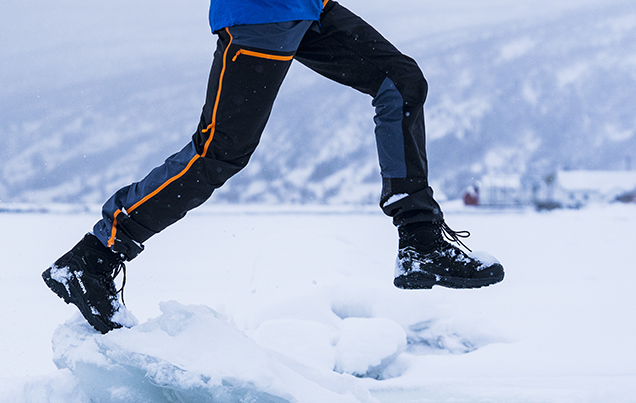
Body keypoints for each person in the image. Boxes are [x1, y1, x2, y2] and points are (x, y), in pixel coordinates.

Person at [43, 0, 504, 334]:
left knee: (401, 82)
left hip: (310, 8)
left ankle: (420, 241)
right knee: (218, 152)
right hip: (260, 11)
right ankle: (96, 255)